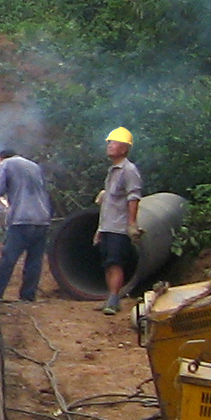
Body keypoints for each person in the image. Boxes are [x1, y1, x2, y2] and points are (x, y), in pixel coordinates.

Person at [0, 145, 53, 303]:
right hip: (42, 219)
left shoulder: (6, 164)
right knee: (34, 260)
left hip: (22, 219)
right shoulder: (34, 166)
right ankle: (28, 296)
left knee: (8, 258)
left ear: (0, 158)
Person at [96, 127, 143, 314]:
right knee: (108, 264)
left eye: (113, 143)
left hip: (119, 227)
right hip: (108, 226)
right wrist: (100, 228)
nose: (109, 145)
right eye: (109, 142)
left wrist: (131, 223)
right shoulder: (112, 171)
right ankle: (111, 298)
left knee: (115, 263)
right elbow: (108, 203)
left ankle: (114, 299)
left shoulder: (129, 170)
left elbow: (133, 197)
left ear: (124, 149)